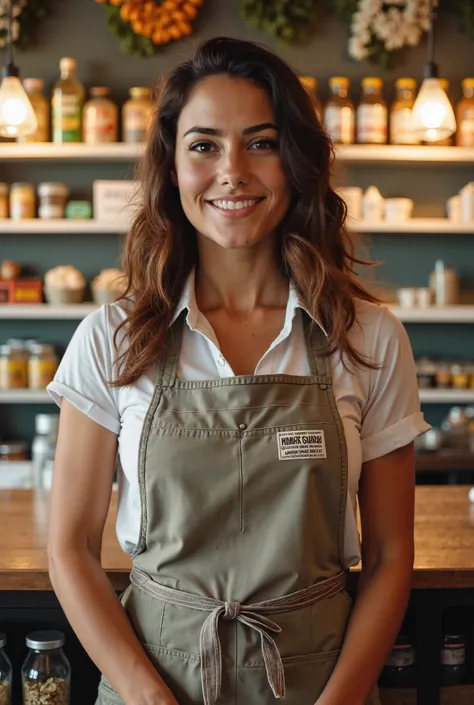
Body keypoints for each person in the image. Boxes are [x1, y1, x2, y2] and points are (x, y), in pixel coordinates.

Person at [47, 37, 430, 705]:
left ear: (297, 160)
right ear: (171, 165)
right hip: (154, 681)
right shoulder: (110, 338)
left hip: (320, 682)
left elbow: (392, 556)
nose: (232, 171)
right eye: (203, 145)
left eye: (261, 142)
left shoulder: (368, 337)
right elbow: (71, 548)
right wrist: (147, 695)